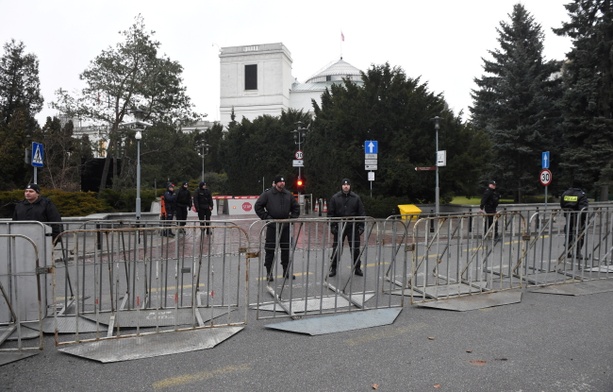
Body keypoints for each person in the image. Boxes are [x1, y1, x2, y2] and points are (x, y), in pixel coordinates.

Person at [254, 175, 300, 282]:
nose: (282, 184)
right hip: (272, 226)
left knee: (285, 250)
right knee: (270, 250)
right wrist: (267, 217)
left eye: (283, 182)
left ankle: (286, 271)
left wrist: (292, 218)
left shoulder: (288, 194)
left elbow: (296, 207)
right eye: (280, 182)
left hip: (285, 226)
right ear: (275, 183)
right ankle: (269, 273)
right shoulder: (268, 194)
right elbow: (258, 206)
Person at [327, 178, 366, 277]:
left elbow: (361, 213)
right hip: (339, 226)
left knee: (355, 249)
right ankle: (333, 268)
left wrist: (361, 226)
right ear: (341, 186)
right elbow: (330, 214)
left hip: (352, 226)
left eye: (348, 185)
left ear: (350, 186)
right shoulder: (335, 198)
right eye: (344, 185)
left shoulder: (356, 198)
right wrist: (332, 226)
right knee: (337, 248)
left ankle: (357, 268)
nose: (346, 186)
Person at [560, 182, 589, 258]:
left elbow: (562, 205)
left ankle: (567, 251)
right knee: (580, 234)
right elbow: (583, 208)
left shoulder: (565, 193)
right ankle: (578, 253)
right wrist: (585, 219)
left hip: (568, 217)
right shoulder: (581, 194)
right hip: (579, 218)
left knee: (569, 234)